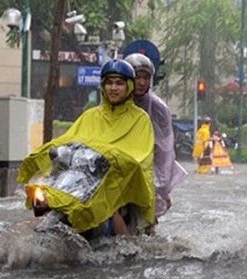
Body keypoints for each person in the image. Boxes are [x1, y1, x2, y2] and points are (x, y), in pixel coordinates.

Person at [18, 59, 156, 236]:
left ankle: (127, 249)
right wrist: (50, 150)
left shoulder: (140, 119)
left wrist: (116, 159)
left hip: (115, 181)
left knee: (110, 210)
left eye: (119, 83)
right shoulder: (90, 115)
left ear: (129, 86)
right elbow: (70, 139)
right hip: (83, 178)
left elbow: (140, 158)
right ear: (103, 85)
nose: (113, 88)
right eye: (109, 83)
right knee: (43, 198)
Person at [125, 53, 186, 231]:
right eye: (138, 77)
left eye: (146, 77)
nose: (142, 82)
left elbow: (165, 149)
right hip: (117, 164)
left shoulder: (158, 107)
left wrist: (162, 187)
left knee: (147, 222)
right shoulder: (114, 100)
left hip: (146, 167)